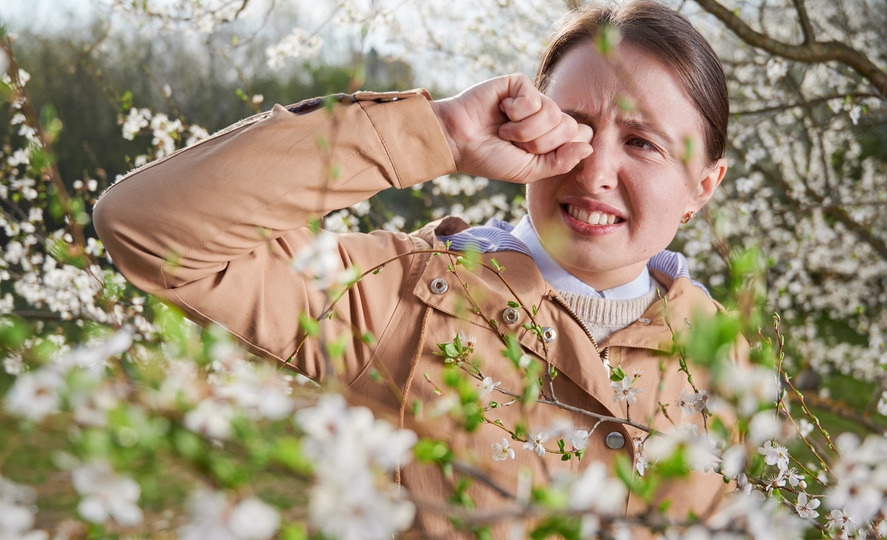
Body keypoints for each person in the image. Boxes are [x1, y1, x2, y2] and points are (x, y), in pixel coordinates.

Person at [94, 1, 732, 536]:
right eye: (575, 126)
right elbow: (147, 227)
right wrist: (443, 133)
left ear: (704, 185)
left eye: (642, 142)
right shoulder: (399, 296)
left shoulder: (729, 357)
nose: (593, 172)